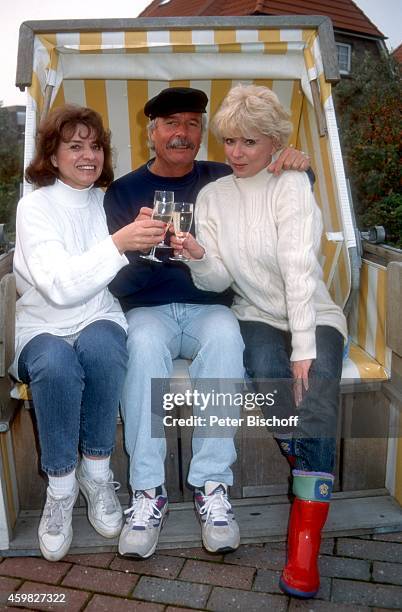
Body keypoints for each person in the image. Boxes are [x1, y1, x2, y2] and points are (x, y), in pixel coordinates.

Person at [104, 86, 311, 559]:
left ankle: (212, 486)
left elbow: (280, 181)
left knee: (224, 335)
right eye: (171, 124)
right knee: (140, 347)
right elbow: (116, 283)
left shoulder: (225, 175)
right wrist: (145, 248)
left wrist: (298, 161)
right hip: (148, 309)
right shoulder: (124, 191)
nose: (183, 133)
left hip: (210, 307)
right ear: (151, 132)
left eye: (193, 123)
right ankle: (147, 491)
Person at [174, 84, 347, 599]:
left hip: (312, 313)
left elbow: (298, 270)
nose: (235, 153)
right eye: (229, 141)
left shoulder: (291, 183)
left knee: (312, 396)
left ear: (275, 142)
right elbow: (217, 280)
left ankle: (303, 549)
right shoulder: (212, 196)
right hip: (253, 314)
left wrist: (304, 348)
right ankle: (310, 473)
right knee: (274, 387)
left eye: (249, 142)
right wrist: (199, 255)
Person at [10, 104, 166, 562]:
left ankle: (96, 472)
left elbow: (127, 270)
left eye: (95, 146)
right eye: (74, 146)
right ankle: (60, 486)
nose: (88, 156)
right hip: (42, 323)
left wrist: (150, 236)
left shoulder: (107, 202)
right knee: (57, 364)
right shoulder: (34, 206)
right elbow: (59, 288)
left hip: (98, 315)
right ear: (52, 156)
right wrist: (119, 243)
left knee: (103, 347)